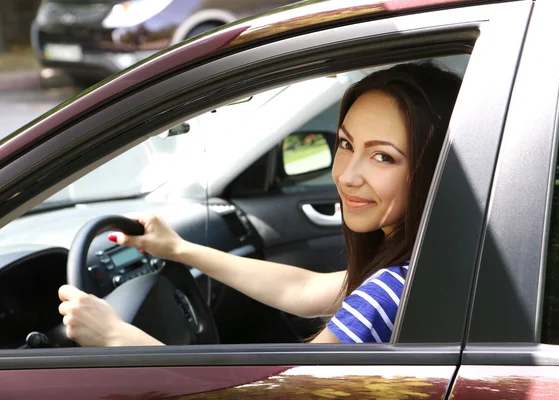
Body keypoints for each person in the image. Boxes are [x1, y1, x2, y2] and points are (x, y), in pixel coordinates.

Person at [57, 61, 462, 346]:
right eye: (345, 144)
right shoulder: (423, 267)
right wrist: (180, 249)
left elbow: (290, 391)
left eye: (383, 156)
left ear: (434, 168)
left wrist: (118, 337)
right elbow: (306, 288)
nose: (346, 175)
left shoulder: (392, 291)